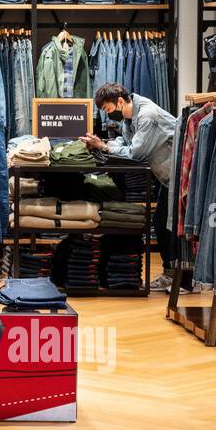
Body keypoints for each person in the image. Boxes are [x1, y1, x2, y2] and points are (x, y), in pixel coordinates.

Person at [80, 82, 177, 290]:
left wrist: (104, 146)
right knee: (163, 224)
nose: (108, 115)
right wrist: (102, 143)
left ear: (121, 102)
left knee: (166, 225)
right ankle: (174, 275)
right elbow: (124, 143)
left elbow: (135, 153)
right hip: (166, 175)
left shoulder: (146, 115)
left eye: (108, 109)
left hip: (178, 174)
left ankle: (180, 279)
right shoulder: (129, 118)